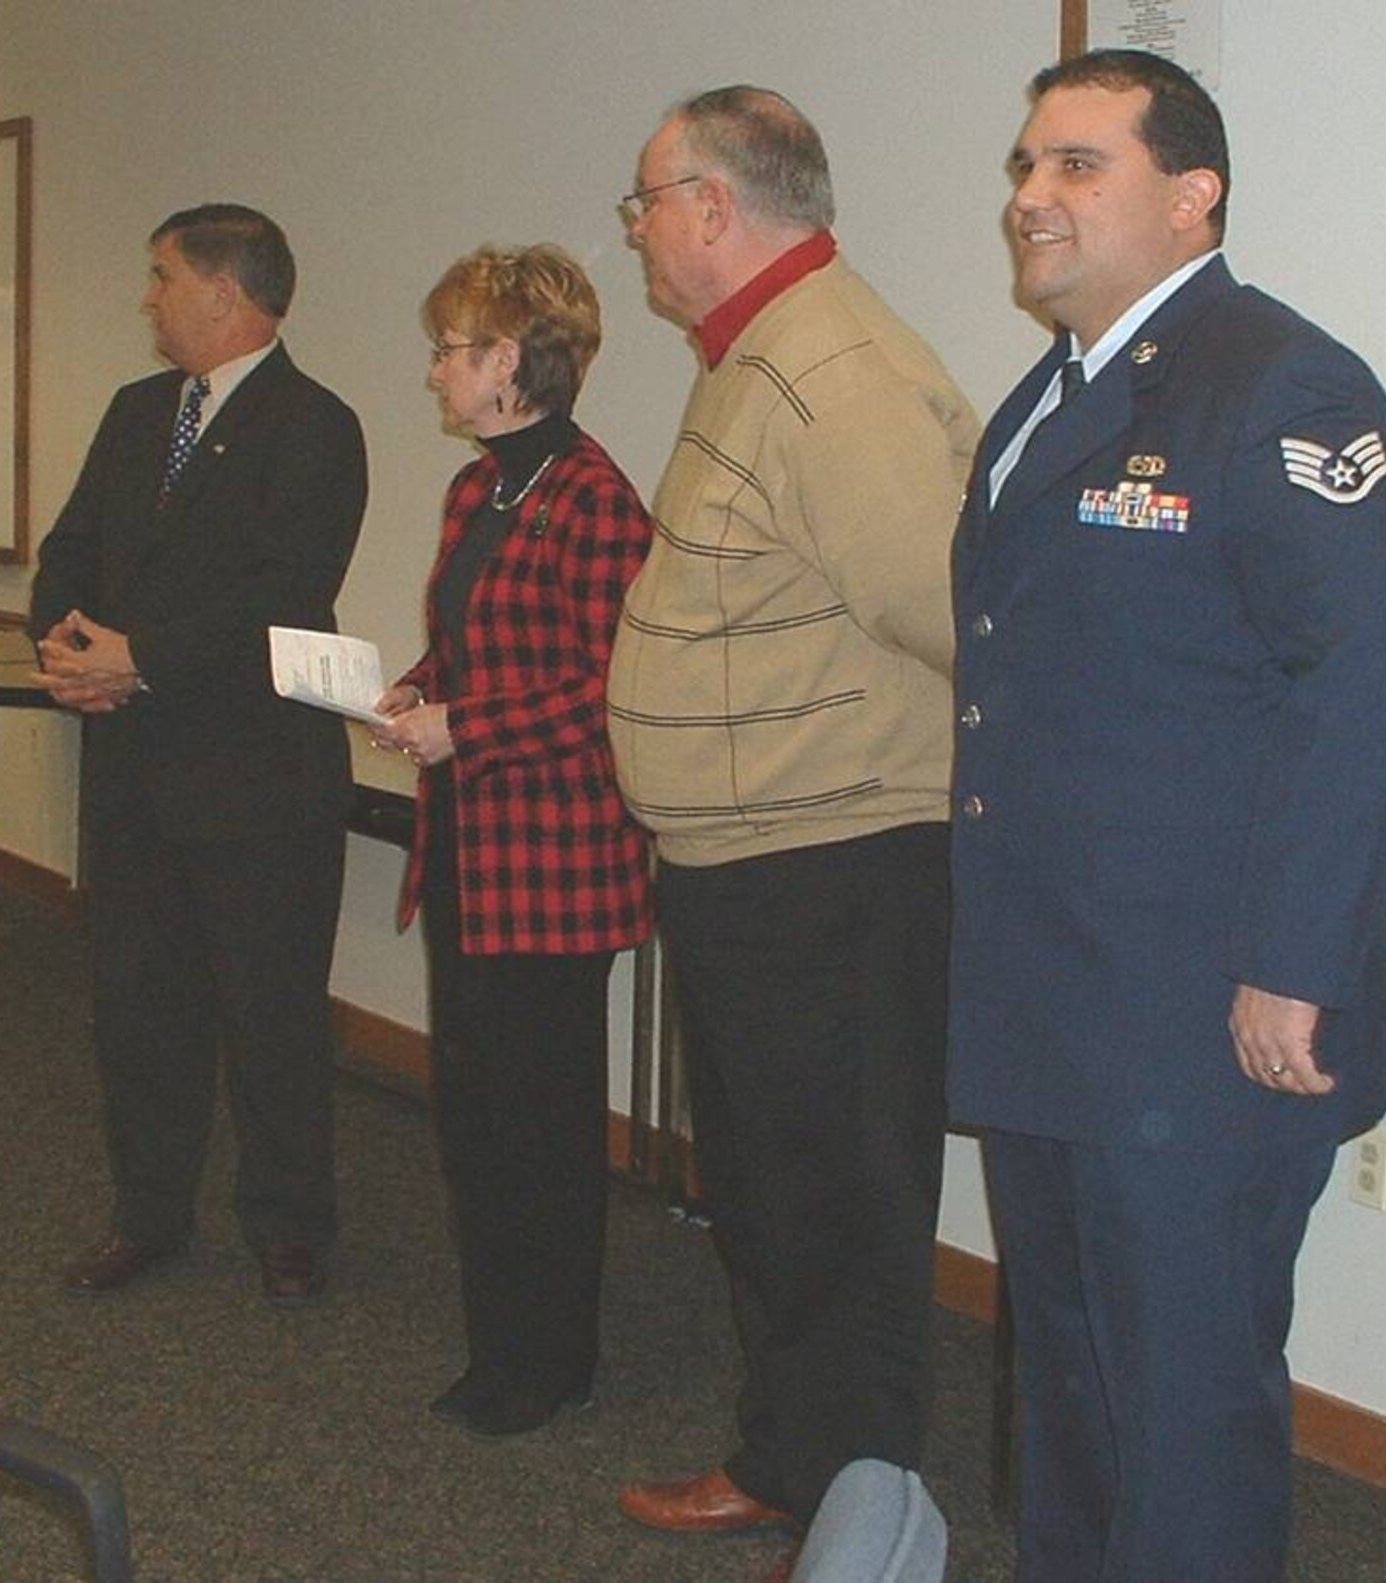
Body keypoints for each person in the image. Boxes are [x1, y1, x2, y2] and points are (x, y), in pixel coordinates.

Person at [951, 50, 1386, 1581]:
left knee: (1182, 1415)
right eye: (1027, 165)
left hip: (1204, 1013)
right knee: (1071, 1404)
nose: (1032, 197)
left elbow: (1377, 678)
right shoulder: (1049, 401)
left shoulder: (1279, 382)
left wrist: (1297, 961)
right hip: (1060, 998)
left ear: (1193, 195)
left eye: (1078, 165)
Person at [605, 86, 978, 1580]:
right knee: (767, 1188)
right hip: (752, 869)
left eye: (644, 198)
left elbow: (957, 611)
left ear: (714, 205)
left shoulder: (833, 370)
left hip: (833, 872)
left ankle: (864, 1522)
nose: (632, 225)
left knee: (844, 1198)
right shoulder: (759, 353)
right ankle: (790, 1461)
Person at [29, 203, 367, 1307]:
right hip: (134, 770)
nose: (149, 297)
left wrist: (140, 657)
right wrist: (64, 641)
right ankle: (148, 1215)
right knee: (137, 1005)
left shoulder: (315, 425)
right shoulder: (138, 412)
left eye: (163, 276)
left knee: (268, 1014)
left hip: (256, 778)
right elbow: (70, 545)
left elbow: (283, 592)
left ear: (224, 293)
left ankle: (288, 1224)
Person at [371, 245, 654, 1437]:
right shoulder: (477, 489)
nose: (434, 369)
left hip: (552, 870)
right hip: (468, 854)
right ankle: (501, 1339)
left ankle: (547, 1359)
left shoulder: (595, 499)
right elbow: (473, 644)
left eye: (450, 348)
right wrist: (412, 690)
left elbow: (611, 687)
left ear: (507, 362)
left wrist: (462, 726)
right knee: (476, 1114)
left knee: (537, 1129)